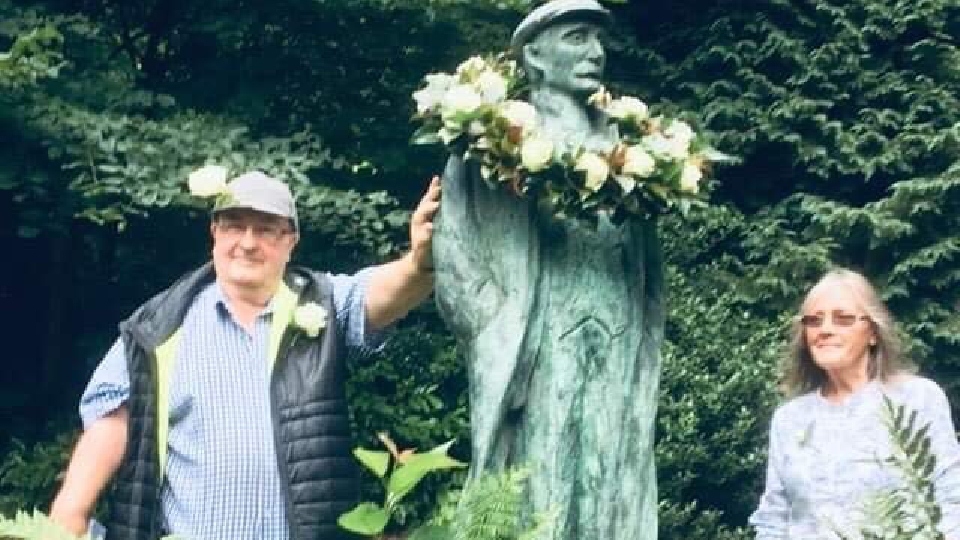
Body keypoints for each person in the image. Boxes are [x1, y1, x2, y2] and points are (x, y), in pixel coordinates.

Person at [49, 170, 441, 540]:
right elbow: (114, 419)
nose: (248, 242)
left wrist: (420, 261)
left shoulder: (322, 303)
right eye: (235, 225)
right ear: (215, 234)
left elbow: (384, 293)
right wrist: (70, 511)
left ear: (290, 241)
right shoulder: (157, 325)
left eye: (266, 229)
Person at [432, 1, 664, 538]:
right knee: (538, 487)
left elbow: (649, 266)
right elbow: (456, 252)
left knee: (611, 480)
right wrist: (498, 323)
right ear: (534, 57)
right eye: (576, 38)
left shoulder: (633, 152)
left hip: (618, 340)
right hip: (534, 346)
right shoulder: (491, 143)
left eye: (598, 40)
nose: (596, 52)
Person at [750, 268, 960, 538]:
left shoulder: (917, 399)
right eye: (814, 321)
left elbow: (952, 498)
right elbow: (773, 518)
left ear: (872, 333)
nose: (824, 330)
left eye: (843, 319)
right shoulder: (790, 419)